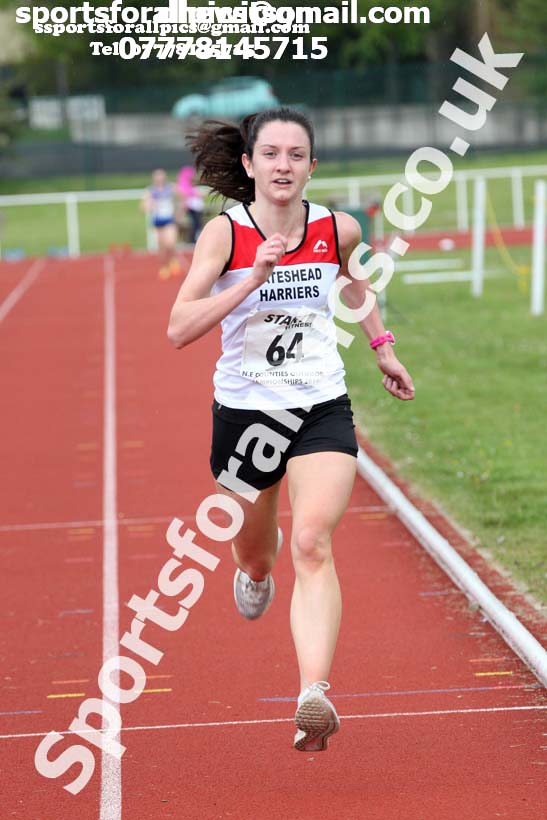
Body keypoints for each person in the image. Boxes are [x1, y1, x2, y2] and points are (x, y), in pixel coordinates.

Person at [167, 108, 415, 752]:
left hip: (319, 407)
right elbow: (179, 328)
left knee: (311, 542)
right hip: (246, 418)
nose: (283, 166)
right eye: (270, 154)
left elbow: (355, 285)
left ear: (312, 165)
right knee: (258, 552)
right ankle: (253, 573)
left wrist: (382, 346)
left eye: (296, 155)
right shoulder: (225, 235)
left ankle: (313, 695)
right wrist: (252, 280)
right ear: (248, 165)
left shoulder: (338, 227)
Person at [141, 169, 181, 280]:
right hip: (157, 222)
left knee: (171, 243)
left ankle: (173, 259)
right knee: (162, 247)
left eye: (161, 177)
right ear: (154, 179)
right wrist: (148, 205)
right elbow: (143, 207)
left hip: (169, 220)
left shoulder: (171, 188)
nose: (160, 179)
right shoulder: (150, 191)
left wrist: (179, 211)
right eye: (157, 177)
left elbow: (181, 197)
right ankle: (164, 267)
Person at [177, 165, 204, 244]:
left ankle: (193, 238)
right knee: (194, 224)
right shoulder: (184, 185)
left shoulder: (188, 184)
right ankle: (192, 239)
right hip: (190, 208)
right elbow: (185, 196)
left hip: (194, 208)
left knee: (196, 224)